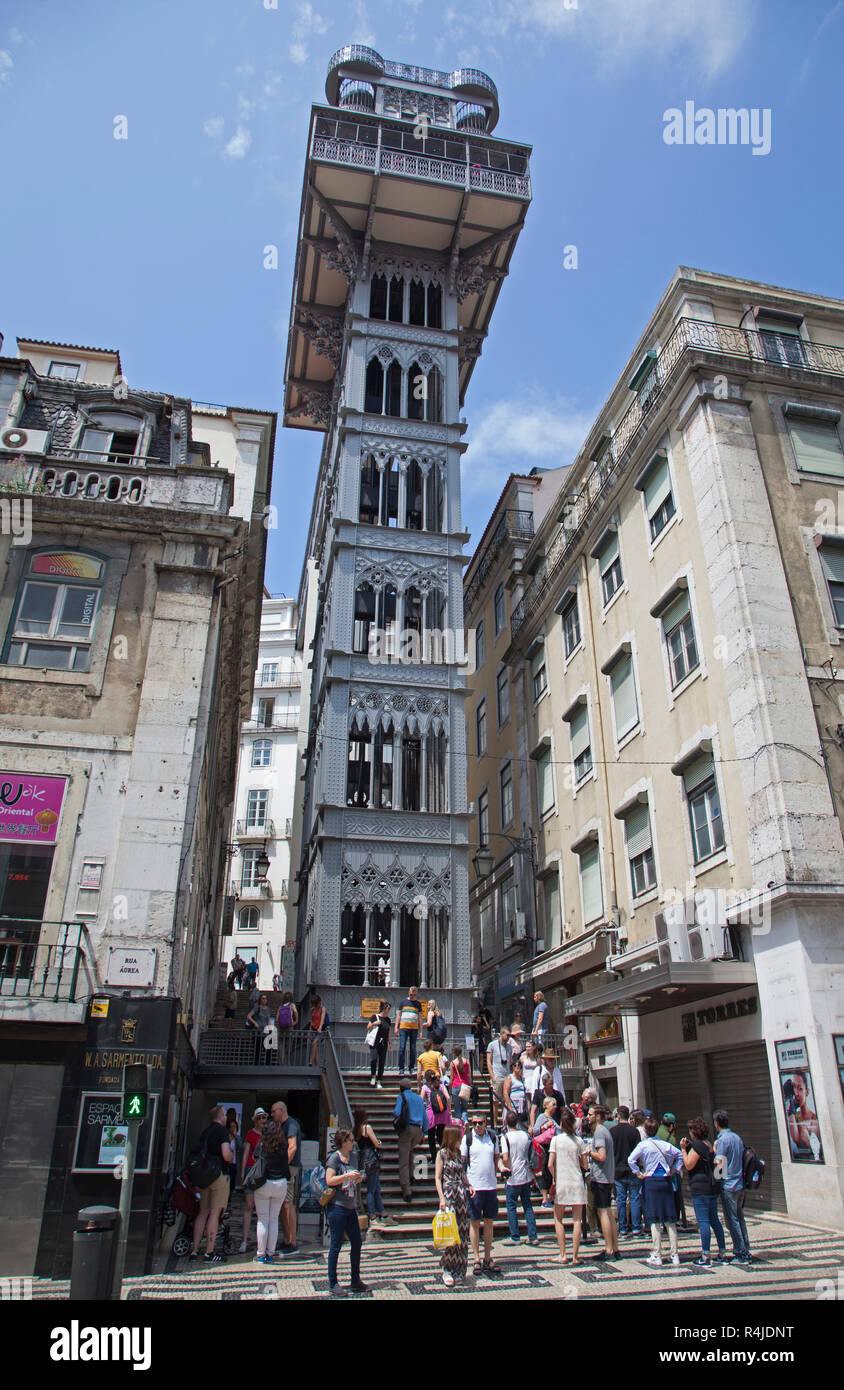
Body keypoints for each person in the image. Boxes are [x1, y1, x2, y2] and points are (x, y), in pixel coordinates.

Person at [628, 1116, 684, 1267]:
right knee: (670, 1219)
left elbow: (631, 1159)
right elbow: (679, 1155)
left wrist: (639, 1173)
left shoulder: (643, 1145)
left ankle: (657, 1254)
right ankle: (674, 1254)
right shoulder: (665, 1145)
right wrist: (675, 1169)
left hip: (651, 1181)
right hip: (665, 1181)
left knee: (654, 1219)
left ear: (645, 1130)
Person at [325, 1129, 370, 1297]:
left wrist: (358, 1177)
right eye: (350, 1140)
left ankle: (355, 1280)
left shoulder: (353, 1156)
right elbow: (329, 1180)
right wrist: (346, 1177)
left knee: (357, 1242)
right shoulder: (334, 1158)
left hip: (351, 1207)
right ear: (343, 1142)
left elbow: (356, 1175)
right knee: (336, 1245)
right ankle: (333, 1282)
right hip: (337, 1207)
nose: (353, 1142)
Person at [681, 1116, 727, 1267]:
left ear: (694, 1132)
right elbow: (721, 1168)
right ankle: (722, 1252)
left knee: (704, 1221)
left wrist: (683, 1150)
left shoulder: (697, 1147)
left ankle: (706, 1256)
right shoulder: (710, 1145)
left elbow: (688, 1165)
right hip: (712, 1187)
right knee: (714, 1219)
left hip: (700, 1188)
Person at [460, 1112, 501, 1276]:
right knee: (475, 1222)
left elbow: (496, 1157)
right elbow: (462, 1163)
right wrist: (467, 1183)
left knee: (489, 1222)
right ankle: (476, 1258)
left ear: (486, 1123)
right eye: (474, 1123)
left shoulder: (492, 1137)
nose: (477, 1125)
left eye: (480, 1123)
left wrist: (498, 1170)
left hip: (490, 1185)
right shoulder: (467, 1139)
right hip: (474, 1186)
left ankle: (488, 1257)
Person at [190, 1105, 232, 1263]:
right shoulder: (222, 1132)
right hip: (218, 1175)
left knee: (203, 1212)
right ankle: (209, 1251)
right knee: (215, 1213)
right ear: (221, 1116)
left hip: (204, 1177)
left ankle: (194, 1250)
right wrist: (232, 1155)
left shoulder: (205, 1132)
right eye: (225, 1115)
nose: (226, 1117)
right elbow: (226, 1155)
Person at [549, 1106, 588, 1265]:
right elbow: (585, 1165)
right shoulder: (579, 1141)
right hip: (577, 1181)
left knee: (558, 1219)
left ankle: (563, 1254)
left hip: (562, 1181)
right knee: (577, 1220)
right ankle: (575, 1257)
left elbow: (550, 1164)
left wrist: (554, 1178)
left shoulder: (556, 1140)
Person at [252, 1114, 291, 1264]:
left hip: (264, 1182)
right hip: (280, 1183)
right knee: (274, 1219)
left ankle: (260, 1254)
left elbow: (256, 1159)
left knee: (263, 1219)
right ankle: (270, 1253)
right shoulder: (283, 1145)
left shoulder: (262, 1145)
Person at [714, 1110, 753, 1265]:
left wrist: (716, 1180)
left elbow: (720, 1163)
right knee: (740, 1218)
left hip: (729, 1185)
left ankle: (740, 1253)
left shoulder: (723, 1140)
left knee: (732, 1221)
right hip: (739, 1184)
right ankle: (745, 1248)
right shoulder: (737, 1137)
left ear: (716, 1123)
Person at [435, 1124, 471, 1286]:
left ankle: (460, 1269)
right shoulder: (441, 1154)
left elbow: (462, 1173)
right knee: (452, 1233)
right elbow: (438, 1177)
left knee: (463, 1234)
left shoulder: (459, 1155)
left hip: (462, 1195)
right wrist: (441, 1198)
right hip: (449, 1194)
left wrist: (469, 1185)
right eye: (459, 1137)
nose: (461, 1140)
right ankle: (447, 1268)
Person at [584, 1104, 619, 1261]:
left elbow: (602, 1156)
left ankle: (609, 1249)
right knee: (608, 1213)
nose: (588, 1117)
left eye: (591, 1114)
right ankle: (615, 1248)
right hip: (608, 1176)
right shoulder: (605, 1131)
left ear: (598, 1117)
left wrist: (589, 1152)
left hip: (601, 1177)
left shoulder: (599, 1133)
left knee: (603, 1212)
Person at [499, 1111, 538, 1246]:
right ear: (516, 1122)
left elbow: (505, 1158)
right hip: (526, 1174)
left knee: (511, 1206)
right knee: (527, 1205)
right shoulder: (526, 1135)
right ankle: (532, 1235)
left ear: (505, 1122)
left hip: (513, 1177)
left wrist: (505, 1167)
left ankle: (515, 1236)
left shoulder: (505, 1138)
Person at [610, 1105, 643, 1240]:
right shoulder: (634, 1131)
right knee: (634, 1199)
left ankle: (622, 1228)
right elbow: (638, 1151)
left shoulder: (612, 1131)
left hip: (618, 1169)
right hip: (632, 1169)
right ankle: (636, 1227)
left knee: (621, 1200)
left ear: (618, 1116)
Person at [353, 1107, 390, 1226]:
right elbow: (376, 1143)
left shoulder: (355, 1130)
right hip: (371, 1159)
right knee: (372, 1189)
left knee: (375, 1187)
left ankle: (383, 1213)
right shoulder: (367, 1127)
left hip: (362, 1159)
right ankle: (373, 1216)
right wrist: (379, 1143)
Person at [393, 1077, 428, 1202]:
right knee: (410, 1152)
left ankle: (406, 1189)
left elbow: (397, 1112)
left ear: (401, 1088)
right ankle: (412, 1176)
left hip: (407, 1129)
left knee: (403, 1160)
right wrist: (424, 1131)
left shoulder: (401, 1097)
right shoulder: (418, 1098)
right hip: (418, 1130)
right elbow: (425, 1116)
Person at [273, 1100, 301, 1254]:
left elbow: (293, 1146)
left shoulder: (291, 1125)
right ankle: (286, 1239)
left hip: (289, 1168)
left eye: (273, 1111)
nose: (272, 1114)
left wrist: (283, 1166)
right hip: (286, 1168)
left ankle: (292, 1242)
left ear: (281, 1110)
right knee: (283, 1204)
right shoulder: (283, 1126)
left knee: (287, 1204)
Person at [239, 1107, 268, 1252]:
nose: (263, 1121)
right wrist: (243, 1172)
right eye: (260, 1118)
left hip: (263, 1171)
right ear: (256, 1120)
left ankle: (261, 1242)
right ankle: (244, 1240)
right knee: (249, 1205)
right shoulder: (251, 1134)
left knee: (262, 1208)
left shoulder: (268, 1134)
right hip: (252, 1170)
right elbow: (246, 1153)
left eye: (264, 1118)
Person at [657, 1112, 688, 1227]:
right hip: (669, 1173)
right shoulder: (671, 1140)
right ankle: (673, 1219)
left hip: (655, 1172)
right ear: (672, 1125)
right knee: (673, 1196)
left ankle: (661, 1220)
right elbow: (677, 1158)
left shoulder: (656, 1133)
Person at [532, 1095, 560, 1208]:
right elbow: (535, 1131)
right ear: (546, 1106)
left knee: (550, 1173)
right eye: (553, 1104)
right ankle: (544, 1198)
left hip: (553, 1148)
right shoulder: (542, 1117)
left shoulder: (553, 1119)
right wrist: (544, 1127)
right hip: (544, 1149)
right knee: (545, 1173)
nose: (555, 1107)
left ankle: (551, 1197)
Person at [422, 1069, 452, 1161]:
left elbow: (421, 1099)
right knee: (441, 1136)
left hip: (431, 1114)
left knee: (431, 1137)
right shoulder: (441, 1086)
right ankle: (444, 1156)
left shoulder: (425, 1088)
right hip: (443, 1113)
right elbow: (448, 1098)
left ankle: (434, 1158)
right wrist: (449, 1110)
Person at [486, 1026, 514, 1127]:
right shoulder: (492, 1045)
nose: (508, 1038)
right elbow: (488, 1061)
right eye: (507, 1035)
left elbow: (510, 1062)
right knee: (495, 1101)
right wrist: (492, 1076)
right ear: (501, 1034)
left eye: (509, 1036)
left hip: (506, 1076)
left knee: (505, 1101)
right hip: (497, 1076)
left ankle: (504, 1124)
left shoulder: (509, 1047)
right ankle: (494, 1123)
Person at [396, 985, 423, 1075]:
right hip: (403, 1028)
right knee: (402, 1048)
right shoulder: (403, 1002)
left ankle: (411, 1067)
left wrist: (421, 1031)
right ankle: (401, 1068)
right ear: (409, 993)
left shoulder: (418, 1004)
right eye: (411, 994)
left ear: (417, 994)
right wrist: (396, 1027)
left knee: (412, 1048)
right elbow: (399, 1015)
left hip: (414, 1029)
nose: (412, 996)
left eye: (414, 995)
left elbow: (420, 1018)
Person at [366, 1000, 391, 1089]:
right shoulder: (375, 1017)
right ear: (383, 1009)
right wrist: (374, 1023)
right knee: (374, 1059)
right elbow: (368, 1027)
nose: (389, 1010)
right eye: (388, 1008)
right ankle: (373, 1076)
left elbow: (388, 1032)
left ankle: (379, 1080)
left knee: (382, 1062)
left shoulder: (388, 1019)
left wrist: (390, 1043)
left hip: (383, 1043)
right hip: (375, 1042)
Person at [501, 1057, 529, 1129]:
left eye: (519, 1065)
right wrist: (510, 1108)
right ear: (512, 1067)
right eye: (515, 1065)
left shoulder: (523, 1078)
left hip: (521, 1105)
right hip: (513, 1104)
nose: (517, 1067)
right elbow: (505, 1093)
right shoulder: (509, 1078)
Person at [448, 1045, 472, 1125]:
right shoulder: (467, 1061)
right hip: (465, 1085)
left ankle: (459, 1124)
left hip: (456, 1086)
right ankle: (465, 1120)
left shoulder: (453, 1063)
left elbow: (451, 1078)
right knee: (464, 1107)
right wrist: (470, 1084)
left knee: (457, 1107)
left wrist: (450, 1088)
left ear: (454, 1053)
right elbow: (469, 1075)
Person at [308, 994, 328, 1066]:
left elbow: (322, 1019)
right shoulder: (312, 1010)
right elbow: (312, 1021)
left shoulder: (323, 1009)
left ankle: (310, 1062)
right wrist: (309, 1031)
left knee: (314, 1043)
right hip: (314, 1029)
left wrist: (320, 1027)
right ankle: (316, 1066)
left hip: (320, 1030)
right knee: (315, 1048)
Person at [225, 1119, 240, 1209]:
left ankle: (229, 1199)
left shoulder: (237, 1138)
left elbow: (241, 1147)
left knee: (232, 1183)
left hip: (234, 1163)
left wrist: (235, 1136)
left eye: (234, 1126)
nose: (232, 1128)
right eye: (231, 1126)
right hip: (227, 1163)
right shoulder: (225, 1137)